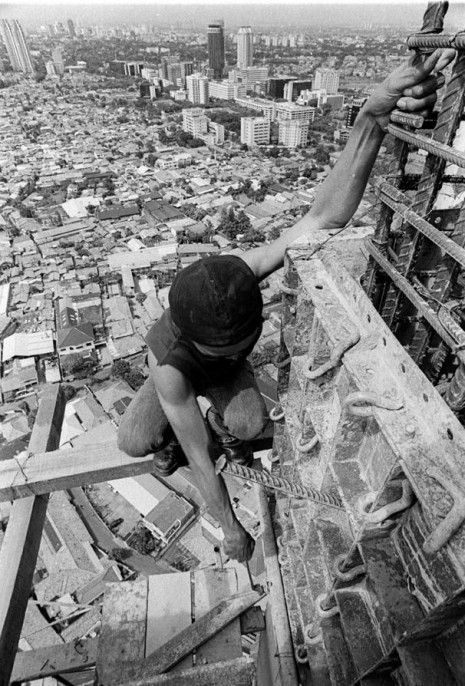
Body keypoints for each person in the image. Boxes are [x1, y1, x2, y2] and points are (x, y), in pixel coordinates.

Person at [118, 49, 455, 563]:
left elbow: (323, 217)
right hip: (180, 378)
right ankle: (191, 421)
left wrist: (373, 116)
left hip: (213, 372)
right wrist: (229, 527)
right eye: (234, 345)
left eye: (248, 338)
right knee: (136, 440)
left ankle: (223, 420)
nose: (248, 345)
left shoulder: (242, 270)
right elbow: (199, 463)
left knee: (250, 425)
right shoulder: (170, 366)